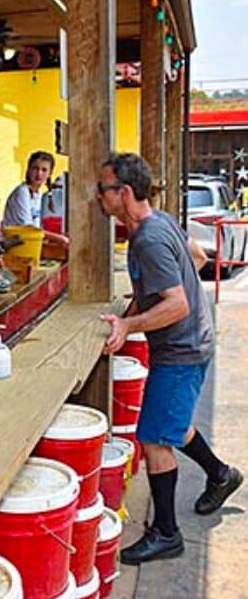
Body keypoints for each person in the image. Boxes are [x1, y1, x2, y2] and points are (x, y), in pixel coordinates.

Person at [97, 153, 242, 565]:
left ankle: (166, 533)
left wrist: (129, 325)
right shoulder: (160, 221)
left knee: (154, 438)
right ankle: (220, 474)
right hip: (192, 342)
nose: (98, 198)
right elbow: (195, 258)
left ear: (123, 193)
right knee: (171, 422)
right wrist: (143, 299)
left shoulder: (147, 239)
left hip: (182, 349)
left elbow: (176, 305)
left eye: (102, 190)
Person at [4, 151, 69, 246]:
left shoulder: (39, 194)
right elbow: (28, 228)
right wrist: (59, 238)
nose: (39, 173)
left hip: (30, 245)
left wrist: (59, 236)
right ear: (28, 169)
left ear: (50, 174)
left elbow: (37, 227)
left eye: (44, 170)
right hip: (15, 246)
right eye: (35, 168)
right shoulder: (22, 192)